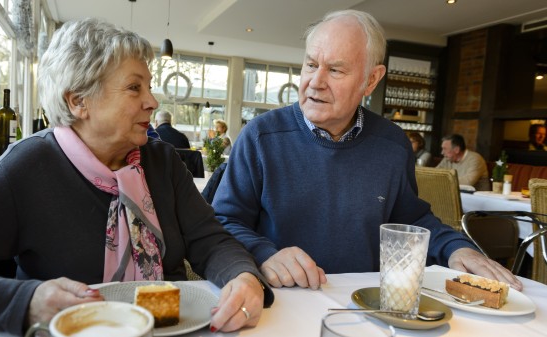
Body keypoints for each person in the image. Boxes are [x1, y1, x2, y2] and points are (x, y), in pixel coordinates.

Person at [0, 18, 272, 335]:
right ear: (78, 101)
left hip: (180, 327)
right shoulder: (29, 167)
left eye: (150, 86)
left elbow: (210, 240)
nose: (153, 101)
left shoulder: (161, 160)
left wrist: (243, 277)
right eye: (134, 87)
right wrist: (27, 300)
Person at [211, 10, 521, 292]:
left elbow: (411, 223)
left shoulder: (393, 144)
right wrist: (265, 253)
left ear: (370, 80)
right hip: (283, 300)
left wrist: (457, 248)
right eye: (310, 65)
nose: (315, 83)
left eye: (335, 70)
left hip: (363, 303)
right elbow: (223, 221)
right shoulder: (261, 136)